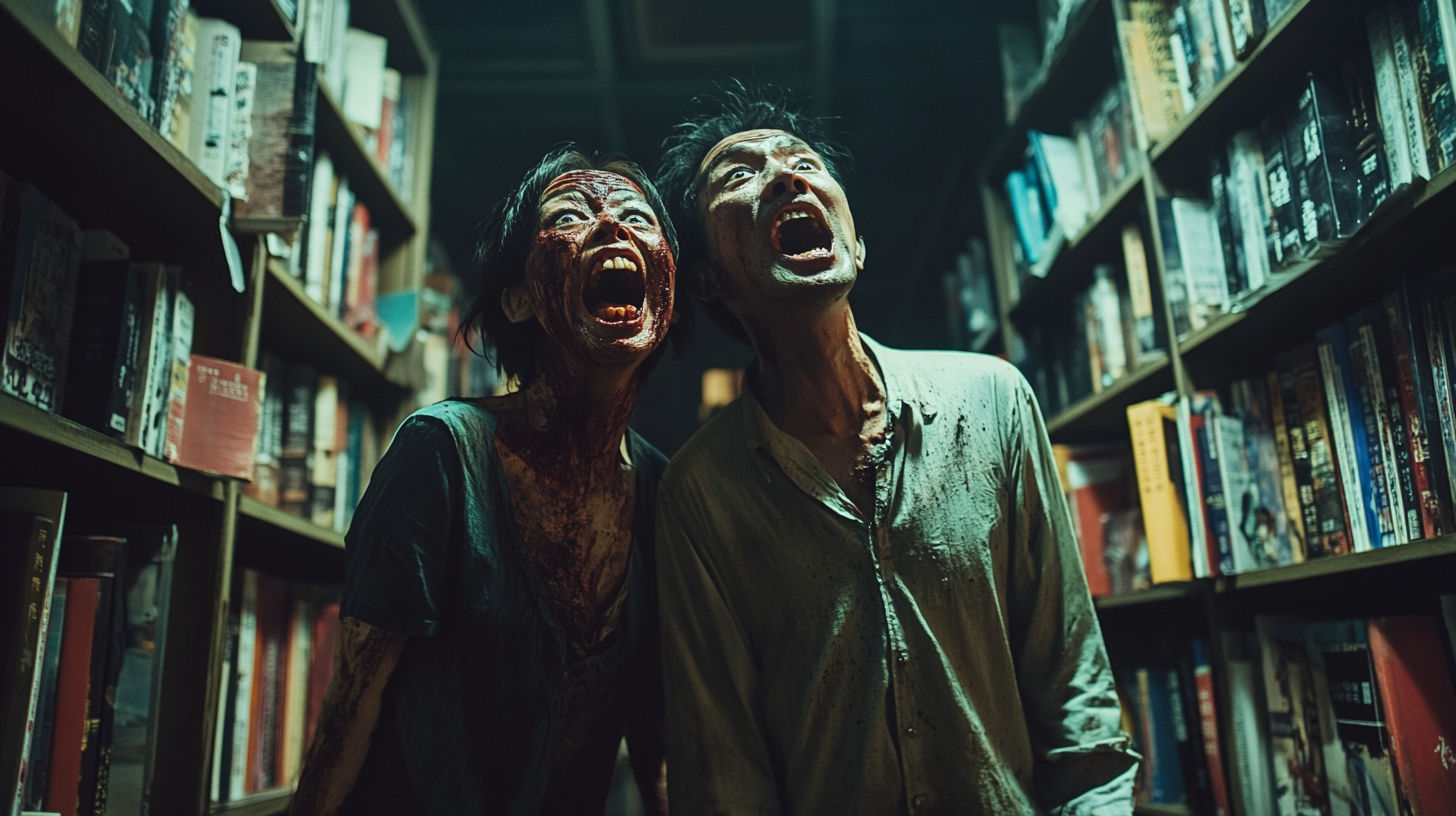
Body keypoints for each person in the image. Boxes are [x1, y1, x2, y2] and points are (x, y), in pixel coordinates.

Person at [652, 86, 1140, 815]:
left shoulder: (993, 401)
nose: (787, 178)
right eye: (739, 176)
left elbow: (1074, 689)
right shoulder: (701, 493)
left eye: (803, 162)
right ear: (707, 280)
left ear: (856, 240)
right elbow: (725, 775)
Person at [289, 147, 679, 816]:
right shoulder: (439, 451)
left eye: (638, 216)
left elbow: (657, 739)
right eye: (572, 215)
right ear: (521, 299)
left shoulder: (662, 489)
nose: (613, 226)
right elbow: (354, 701)